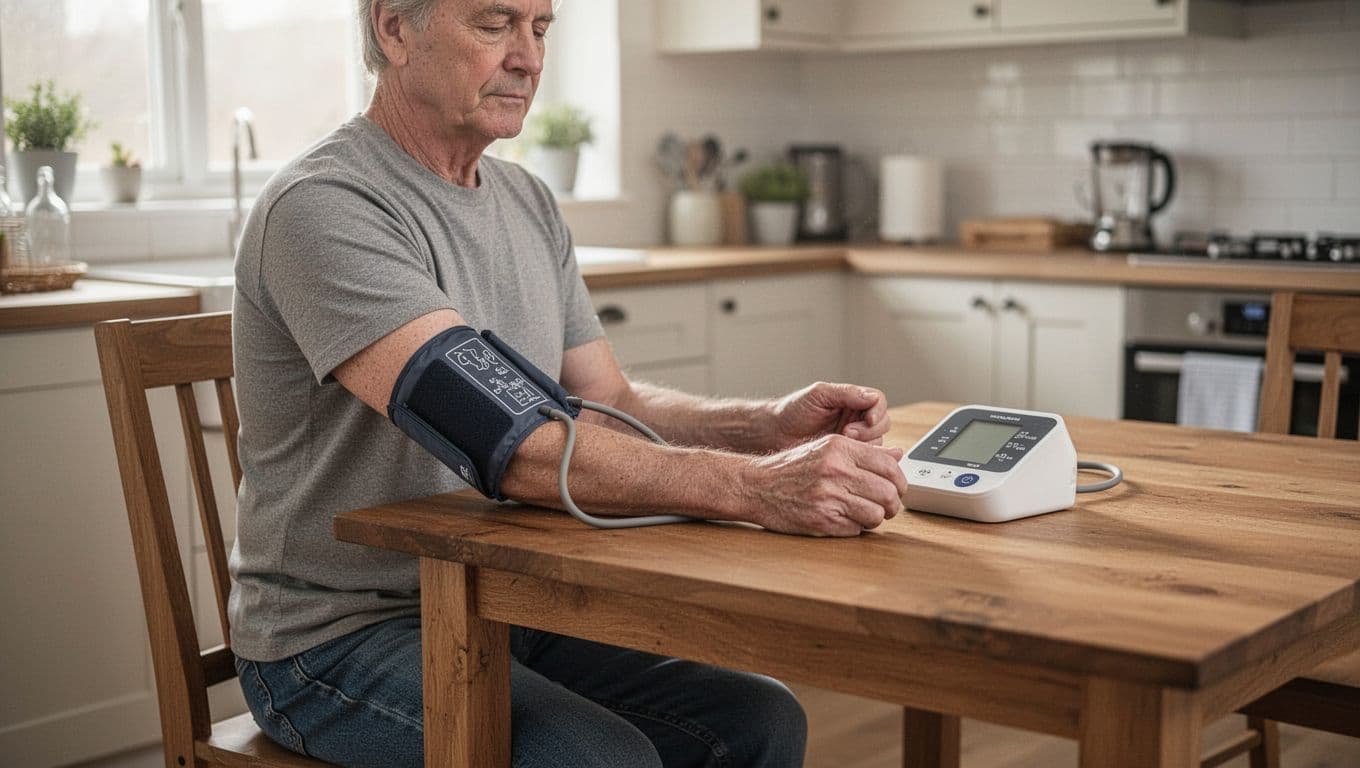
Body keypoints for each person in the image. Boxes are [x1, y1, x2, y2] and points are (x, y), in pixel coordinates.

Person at [227, 0, 909, 765]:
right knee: (601, 759)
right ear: (394, 29)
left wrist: (762, 429)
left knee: (761, 718)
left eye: (541, 28)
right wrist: (758, 489)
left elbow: (608, 404)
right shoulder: (325, 206)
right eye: (495, 24)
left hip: (501, 598)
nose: (528, 57)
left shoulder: (526, 201)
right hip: (334, 637)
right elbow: (511, 446)